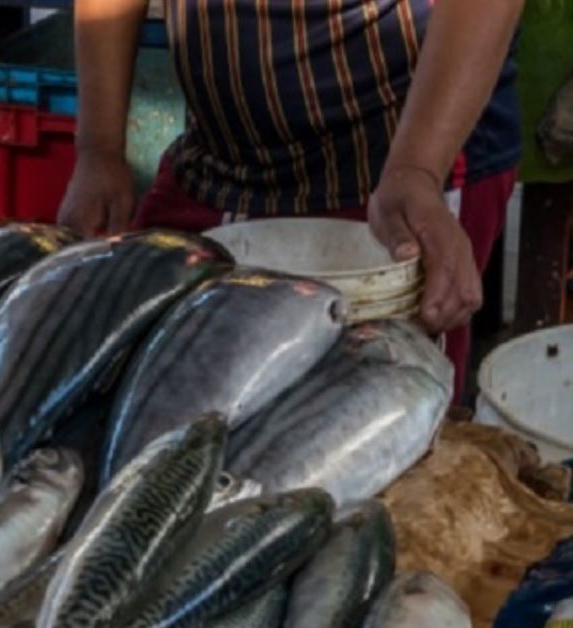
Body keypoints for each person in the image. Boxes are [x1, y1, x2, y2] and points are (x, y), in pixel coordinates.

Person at [59, 0, 524, 399]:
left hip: (398, 164)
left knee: (368, 436)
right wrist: (98, 147)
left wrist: (418, 168)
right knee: (164, 395)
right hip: (220, 158)